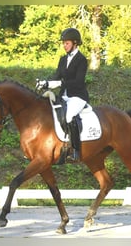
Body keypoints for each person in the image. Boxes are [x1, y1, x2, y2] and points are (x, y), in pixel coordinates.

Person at [37, 28, 89, 163]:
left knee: (69, 116)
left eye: (67, 43)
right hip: (64, 96)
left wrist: (60, 83)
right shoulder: (62, 59)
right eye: (63, 43)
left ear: (75, 43)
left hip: (77, 96)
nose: (64, 46)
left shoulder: (81, 60)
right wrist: (45, 83)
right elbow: (56, 76)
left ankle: (75, 150)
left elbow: (78, 81)